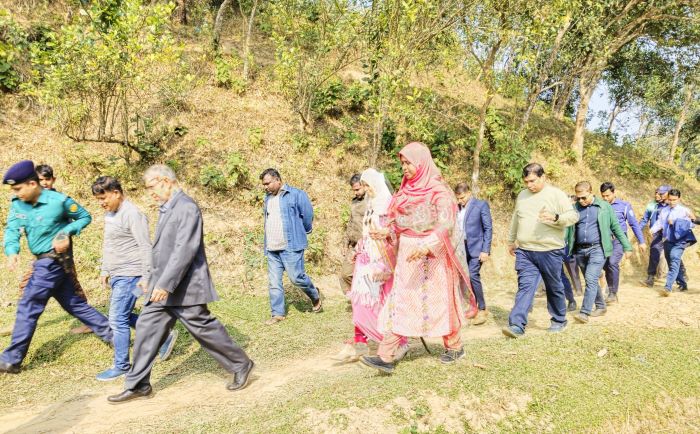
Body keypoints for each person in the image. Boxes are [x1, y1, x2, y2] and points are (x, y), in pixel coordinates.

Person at [108, 165, 254, 403]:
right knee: (146, 328)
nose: (150, 193)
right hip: (163, 287)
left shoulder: (186, 207)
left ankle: (241, 364)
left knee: (203, 328)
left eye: (151, 187)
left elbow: (184, 249)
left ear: (165, 181)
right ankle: (138, 384)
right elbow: (162, 251)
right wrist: (152, 280)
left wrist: (165, 283)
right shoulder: (168, 207)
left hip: (184, 286)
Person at [360, 142, 478, 374]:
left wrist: (427, 245)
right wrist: (387, 233)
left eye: (409, 163)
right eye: (402, 163)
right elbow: (399, 225)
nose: (405, 168)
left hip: (433, 258)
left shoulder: (439, 191)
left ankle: (455, 346)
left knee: (441, 302)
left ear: (422, 163)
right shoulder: (403, 192)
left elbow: (446, 222)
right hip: (408, 256)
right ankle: (386, 356)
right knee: (401, 301)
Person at [0, 160, 113, 374]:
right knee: (75, 305)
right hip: (44, 262)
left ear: (33, 184)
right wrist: (12, 251)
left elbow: (84, 216)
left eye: (18, 188)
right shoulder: (18, 204)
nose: (16, 193)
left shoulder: (59, 201)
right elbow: (12, 230)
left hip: (52, 262)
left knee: (28, 306)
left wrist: (65, 232)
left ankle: (11, 359)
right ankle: (116, 337)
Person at [92, 176, 178, 381]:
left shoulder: (132, 214)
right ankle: (163, 336)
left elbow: (145, 246)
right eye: (98, 199)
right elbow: (109, 244)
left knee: (117, 318)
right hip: (117, 275)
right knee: (122, 314)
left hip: (131, 276)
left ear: (116, 193)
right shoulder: (110, 215)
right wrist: (105, 270)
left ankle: (122, 365)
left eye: (104, 197)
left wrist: (146, 276)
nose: (101, 202)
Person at [332, 169, 409, 363]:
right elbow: (366, 233)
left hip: (382, 261)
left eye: (367, 185)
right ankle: (359, 343)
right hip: (365, 260)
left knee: (381, 305)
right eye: (363, 186)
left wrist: (386, 235)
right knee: (359, 302)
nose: (365, 189)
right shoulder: (371, 205)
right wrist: (358, 249)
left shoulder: (388, 205)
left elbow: (397, 232)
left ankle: (399, 343)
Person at [502, 163, 579, 339]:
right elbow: (516, 217)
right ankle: (516, 325)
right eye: (526, 182)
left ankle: (559, 320)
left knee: (554, 286)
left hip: (550, 250)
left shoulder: (556, 195)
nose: (529, 185)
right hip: (525, 250)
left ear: (543, 177)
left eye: (532, 181)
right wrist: (511, 240)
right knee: (525, 287)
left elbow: (573, 216)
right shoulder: (522, 195)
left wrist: (556, 218)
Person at [259, 168, 322, 325]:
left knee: (296, 278)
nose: (265, 187)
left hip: (291, 246)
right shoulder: (268, 198)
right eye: (263, 185)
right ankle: (277, 314)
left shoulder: (296, 194)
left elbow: (307, 215)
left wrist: (304, 231)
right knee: (274, 282)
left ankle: (315, 296)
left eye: (267, 183)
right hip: (272, 248)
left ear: (277, 180)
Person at [567, 182, 632, 324]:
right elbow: (569, 230)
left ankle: (584, 312)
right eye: (578, 198)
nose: (581, 201)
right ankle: (601, 306)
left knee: (590, 278)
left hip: (598, 248)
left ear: (591, 193)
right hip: (579, 250)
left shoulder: (604, 207)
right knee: (591, 280)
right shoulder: (574, 209)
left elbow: (616, 227)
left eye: (584, 197)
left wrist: (627, 247)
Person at [599, 182, 646, 303]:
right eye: (603, 196)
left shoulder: (624, 206)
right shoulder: (599, 206)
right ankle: (610, 290)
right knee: (605, 266)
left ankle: (613, 293)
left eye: (608, 195)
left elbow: (634, 224)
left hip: (618, 240)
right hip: (604, 241)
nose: (605, 198)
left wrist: (641, 241)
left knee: (613, 262)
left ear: (614, 193)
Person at [454, 182, 492, 325]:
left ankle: (482, 309)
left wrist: (485, 250)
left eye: (462, 197)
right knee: (464, 278)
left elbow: (488, 228)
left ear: (469, 192)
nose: (460, 201)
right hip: (460, 249)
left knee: (472, 275)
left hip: (477, 248)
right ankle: (471, 307)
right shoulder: (456, 208)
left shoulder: (481, 205)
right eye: (458, 198)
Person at [650, 189, 696, 296]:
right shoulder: (664, 210)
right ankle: (682, 283)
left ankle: (668, 287)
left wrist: (676, 223)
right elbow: (660, 223)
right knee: (673, 263)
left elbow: (692, 224)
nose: (672, 202)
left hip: (680, 241)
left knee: (675, 259)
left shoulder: (685, 211)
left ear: (679, 199)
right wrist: (652, 230)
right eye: (670, 200)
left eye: (674, 200)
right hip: (667, 240)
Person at [639, 185, 686, 287]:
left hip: (671, 235)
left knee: (672, 255)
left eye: (661, 193)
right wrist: (639, 229)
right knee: (654, 252)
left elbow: (686, 221)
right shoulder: (653, 205)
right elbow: (647, 219)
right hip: (657, 234)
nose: (658, 195)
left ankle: (682, 274)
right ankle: (650, 278)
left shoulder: (676, 206)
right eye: (657, 193)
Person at [339, 174, 367, 294]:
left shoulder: (371, 201)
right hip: (354, 244)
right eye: (353, 190)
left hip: (368, 245)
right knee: (345, 275)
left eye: (357, 189)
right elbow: (351, 223)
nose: (355, 193)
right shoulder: (354, 202)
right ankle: (358, 297)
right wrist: (345, 242)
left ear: (365, 186)